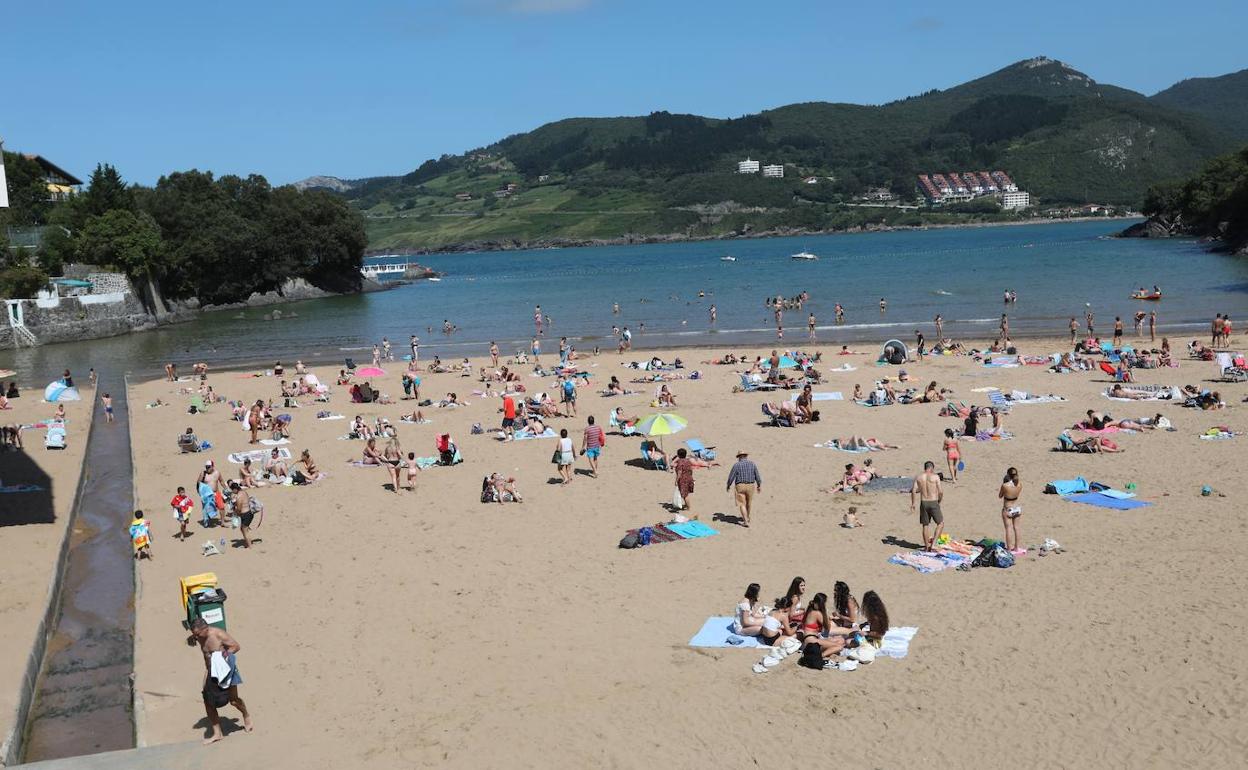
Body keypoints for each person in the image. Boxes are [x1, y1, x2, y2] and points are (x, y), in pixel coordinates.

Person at [189, 618, 253, 744]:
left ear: (206, 629)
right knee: (208, 701)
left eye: (197, 634)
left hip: (225, 669)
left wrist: (221, 657)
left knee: (233, 700)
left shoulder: (218, 634)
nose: (196, 637)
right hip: (210, 671)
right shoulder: (199, 635)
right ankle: (217, 733)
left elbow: (236, 646)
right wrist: (191, 638)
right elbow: (200, 642)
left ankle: (246, 715)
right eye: (194, 635)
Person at [911, 460, 945, 551]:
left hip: (924, 502)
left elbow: (914, 490)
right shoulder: (935, 477)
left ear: (925, 468)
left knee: (925, 525)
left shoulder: (919, 477)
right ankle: (933, 544)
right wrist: (939, 501)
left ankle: (927, 547)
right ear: (932, 468)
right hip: (933, 501)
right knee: (940, 523)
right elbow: (941, 492)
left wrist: (913, 503)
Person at [671, 448, 711, 517]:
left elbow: (679, 472)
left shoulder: (680, 463)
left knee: (684, 494)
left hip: (683, 479)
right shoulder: (688, 460)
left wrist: (676, 480)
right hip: (689, 478)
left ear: (678, 455)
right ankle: (687, 505)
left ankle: (688, 507)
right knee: (686, 493)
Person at [726, 450, 761, 527]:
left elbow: (731, 477)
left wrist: (728, 485)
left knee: (742, 503)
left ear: (739, 457)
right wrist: (759, 485)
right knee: (749, 503)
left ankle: (745, 521)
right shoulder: (752, 464)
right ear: (746, 456)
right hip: (751, 485)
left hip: (740, 485)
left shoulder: (736, 465)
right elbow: (757, 475)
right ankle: (747, 517)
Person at [999, 466, 1023, 554]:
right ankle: (1017, 547)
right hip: (1017, 507)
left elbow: (1000, 496)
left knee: (1008, 528)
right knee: (1017, 528)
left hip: (1008, 508)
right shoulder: (1020, 484)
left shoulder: (1005, 485)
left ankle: (1009, 548)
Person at [228, 481, 258, 548]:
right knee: (244, 529)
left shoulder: (238, 497)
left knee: (244, 530)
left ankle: (249, 546)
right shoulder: (244, 492)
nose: (233, 492)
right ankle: (249, 542)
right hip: (250, 513)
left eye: (233, 491)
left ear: (235, 489)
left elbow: (239, 509)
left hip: (245, 515)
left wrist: (235, 512)